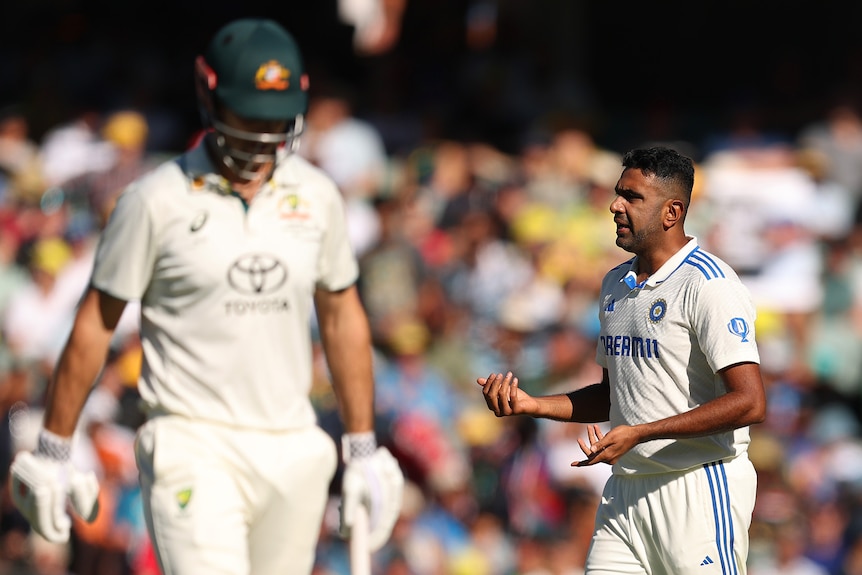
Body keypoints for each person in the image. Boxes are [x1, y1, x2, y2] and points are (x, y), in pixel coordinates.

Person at [9, 17, 404, 575]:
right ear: (209, 95)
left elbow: (341, 318)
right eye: (249, 115)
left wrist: (362, 446)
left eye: (275, 118)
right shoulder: (154, 201)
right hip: (191, 443)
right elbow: (96, 323)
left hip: (291, 444)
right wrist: (54, 446)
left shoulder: (318, 197)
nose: (263, 135)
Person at [478, 146, 767, 574]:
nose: (615, 206)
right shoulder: (616, 283)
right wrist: (533, 404)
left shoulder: (709, 284)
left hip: (697, 487)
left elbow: (750, 402)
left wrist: (642, 432)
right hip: (625, 493)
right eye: (618, 193)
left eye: (632, 197)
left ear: (672, 212)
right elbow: (612, 395)